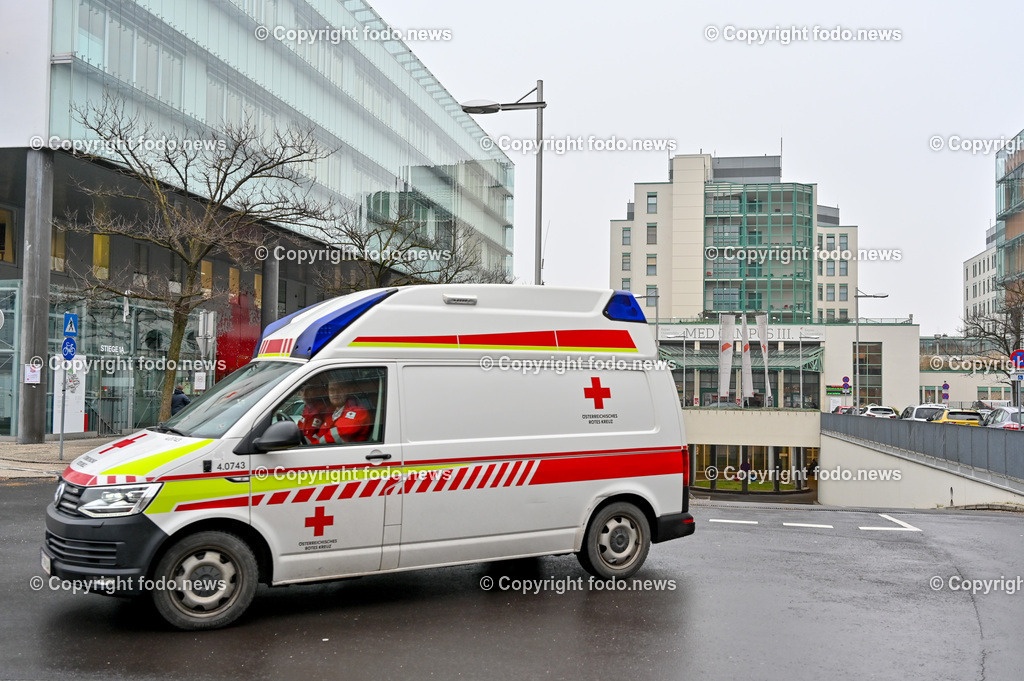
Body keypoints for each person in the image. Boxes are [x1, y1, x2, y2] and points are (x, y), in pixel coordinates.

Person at [310, 375, 373, 444]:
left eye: (340, 389)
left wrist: (311, 446)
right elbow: (319, 436)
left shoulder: (359, 412)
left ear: (348, 391)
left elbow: (336, 435)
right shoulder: (331, 415)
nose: (336, 393)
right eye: (332, 390)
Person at [297, 379, 331, 444]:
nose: (304, 395)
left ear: (318, 391)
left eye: (309, 390)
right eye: (302, 390)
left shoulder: (325, 410)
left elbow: (321, 437)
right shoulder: (307, 409)